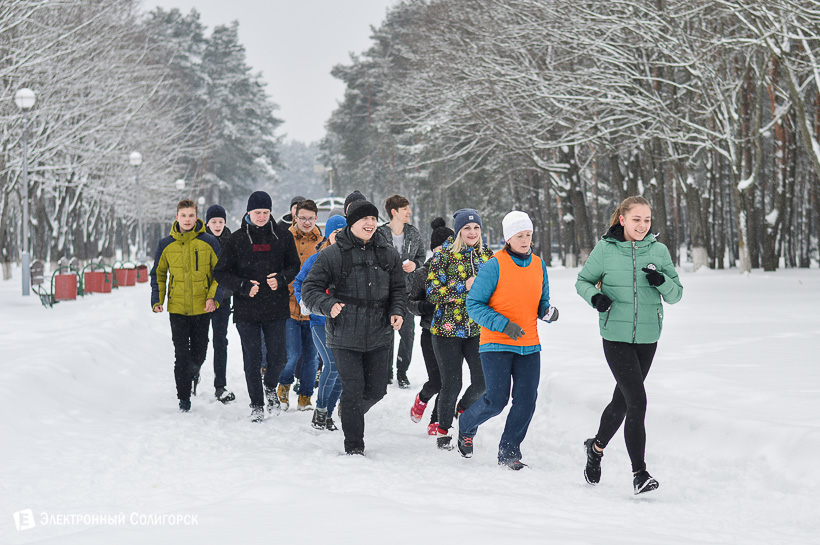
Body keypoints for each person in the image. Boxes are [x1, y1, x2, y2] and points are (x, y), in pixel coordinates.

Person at [576, 195, 683, 494]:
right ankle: (640, 473)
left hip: (648, 337)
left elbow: (676, 295)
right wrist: (595, 298)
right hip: (616, 337)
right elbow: (582, 281)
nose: (642, 225)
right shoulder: (605, 250)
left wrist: (661, 281)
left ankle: (595, 448)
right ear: (622, 219)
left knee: (622, 402)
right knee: (637, 400)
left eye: (647, 220)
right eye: (636, 219)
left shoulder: (659, 251)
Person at [301, 200, 406, 455]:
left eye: (373, 218)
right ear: (352, 223)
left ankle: (349, 410)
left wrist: (397, 310)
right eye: (364, 219)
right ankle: (354, 446)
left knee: (377, 390)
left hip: (379, 334)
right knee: (353, 389)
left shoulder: (387, 252)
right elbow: (309, 290)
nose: (370, 223)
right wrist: (328, 305)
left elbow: (399, 289)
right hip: (344, 334)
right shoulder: (332, 254)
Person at [458, 211, 559, 470]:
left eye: (528, 235)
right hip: (496, 346)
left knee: (526, 401)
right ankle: (466, 424)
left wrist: (547, 312)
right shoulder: (495, 265)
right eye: (519, 236)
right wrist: (503, 324)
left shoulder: (538, 264)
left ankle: (509, 452)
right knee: (496, 400)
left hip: (529, 346)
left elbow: (541, 301)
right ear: (508, 238)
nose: (525, 240)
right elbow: (474, 304)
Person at [213, 191, 301, 422]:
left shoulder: (282, 236)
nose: (261, 217)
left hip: (276, 306)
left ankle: (270, 386)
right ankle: (256, 405)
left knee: (279, 358)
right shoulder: (237, 239)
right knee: (251, 359)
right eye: (257, 212)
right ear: (248, 212)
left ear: (270, 212)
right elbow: (220, 273)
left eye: (265, 212)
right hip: (247, 309)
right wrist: (242, 285)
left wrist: (281, 279)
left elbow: (295, 265)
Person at [425, 208, 493, 450]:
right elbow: (432, 293)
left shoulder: (488, 256)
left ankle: (462, 408)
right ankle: (443, 430)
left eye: (476, 228)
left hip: (476, 330)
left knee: (483, 382)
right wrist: (462, 287)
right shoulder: (443, 256)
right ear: (459, 232)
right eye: (467, 228)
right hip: (446, 331)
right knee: (451, 383)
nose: (472, 232)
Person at [150, 199, 222, 412]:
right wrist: (157, 299)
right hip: (178, 309)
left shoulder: (209, 242)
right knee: (181, 354)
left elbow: (220, 273)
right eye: (184, 216)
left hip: (202, 307)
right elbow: (159, 274)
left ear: (196, 217)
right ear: (177, 217)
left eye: (191, 216)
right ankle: (184, 399)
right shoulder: (166, 244)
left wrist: (213, 298)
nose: (187, 220)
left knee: (199, 353)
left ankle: (194, 371)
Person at [293, 214, 348, 431]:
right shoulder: (317, 258)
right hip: (318, 319)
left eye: (345, 232)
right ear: (328, 235)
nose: (341, 237)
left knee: (342, 368)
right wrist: (302, 300)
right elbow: (299, 282)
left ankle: (328, 413)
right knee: (332, 364)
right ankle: (321, 410)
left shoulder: (351, 257)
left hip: (343, 321)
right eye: (336, 233)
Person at [408, 217, 454, 435]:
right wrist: (424, 307)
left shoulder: (459, 273)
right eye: (443, 248)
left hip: (455, 333)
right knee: (437, 381)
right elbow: (408, 302)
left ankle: (437, 420)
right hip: (430, 333)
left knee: (450, 382)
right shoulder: (423, 274)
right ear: (434, 249)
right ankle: (423, 397)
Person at [377, 195, 426, 388]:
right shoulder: (380, 234)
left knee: (408, 334)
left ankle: (402, 372)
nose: (410, 212)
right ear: (394, 212)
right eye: (406, 209)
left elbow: (422, 257)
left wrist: (415, 265)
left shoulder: (413, 233)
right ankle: (386, 372)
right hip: (384, 294)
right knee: (385, 334)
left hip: (407, 292)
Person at [278, 199, 323, 411]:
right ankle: (284, 385)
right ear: (295, 217)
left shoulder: (322, 243)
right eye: (302, 218)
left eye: (311, 218)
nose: (306, 222)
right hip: (288, 306)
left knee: (312, 357)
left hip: (313, 309)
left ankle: (305, 395)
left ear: (316, 219)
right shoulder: (283, 238)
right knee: (292, 354)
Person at [203, 204, 236, 404]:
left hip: (222, 298)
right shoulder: (199, 240)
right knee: (199, 341)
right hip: (200, 299)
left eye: (221, 222)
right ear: (207, 223)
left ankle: (220, 385)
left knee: (220, 341)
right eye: (214, 221)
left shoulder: (230, 241)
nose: (217, 225)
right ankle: (192, 374)